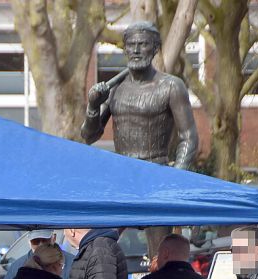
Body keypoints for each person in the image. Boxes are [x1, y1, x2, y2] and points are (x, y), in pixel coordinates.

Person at [80, 21, 199, 260]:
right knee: (99, 243)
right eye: (131, 45)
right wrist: (93, 105)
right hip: (122, 178)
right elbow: (89, 136)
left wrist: (175, 175)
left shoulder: (171, 86)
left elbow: (189, 137)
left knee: (160, 253)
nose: (136, 50)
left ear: (155, 49)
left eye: (143, 44)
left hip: (156, 177)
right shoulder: (115, 89)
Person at [2, 229, 73, 279]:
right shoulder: (17, 266)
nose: (41, 245)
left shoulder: (73, 262)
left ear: (53, 238)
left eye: (45, 240)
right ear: (29, 242)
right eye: (36, 241)